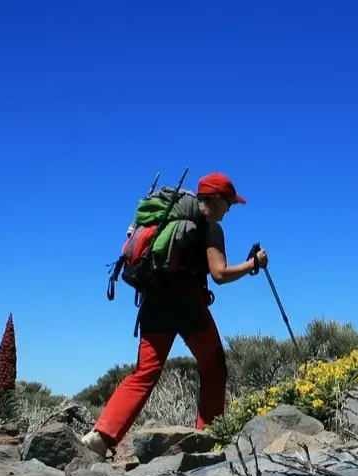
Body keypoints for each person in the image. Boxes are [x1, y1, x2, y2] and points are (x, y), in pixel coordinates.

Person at [80, 173, 268, 457]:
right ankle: (210, 436)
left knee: (144, 372)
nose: (229, 210)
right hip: (188, 305)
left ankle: (102, 435)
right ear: (216, 199)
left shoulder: (164, 221)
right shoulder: (209, 227)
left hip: (153, 302)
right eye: (228, 203)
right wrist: (252, 264)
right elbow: (219, 274)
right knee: (214, 367)